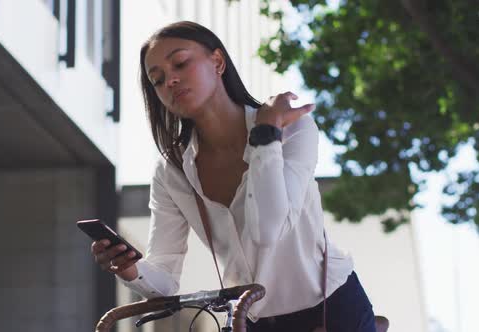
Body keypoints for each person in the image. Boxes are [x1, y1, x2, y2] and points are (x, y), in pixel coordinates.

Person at [91, 21, 376, 331]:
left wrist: (265, 137)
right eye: (157, 80)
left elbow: (268, 230)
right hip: (252, 320)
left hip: (332, 310)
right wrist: (130, 269)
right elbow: (164, 280)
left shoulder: (292, 128)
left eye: (181, 63)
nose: (170, 80)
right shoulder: (171, 171)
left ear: (218, 62)